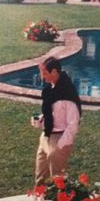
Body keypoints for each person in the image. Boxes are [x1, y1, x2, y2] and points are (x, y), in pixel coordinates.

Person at [32, 57, 82, 185]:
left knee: (58, 182)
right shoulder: (51, 89)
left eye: (44, 73)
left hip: (59, 138)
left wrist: (61, 145)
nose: (42, 77)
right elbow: (52, 113)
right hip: (46, 136)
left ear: (54, 72)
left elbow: (73, 123)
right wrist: (40, 119)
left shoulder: (67, 93)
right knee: (40, 179)